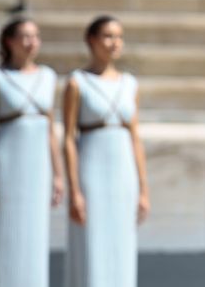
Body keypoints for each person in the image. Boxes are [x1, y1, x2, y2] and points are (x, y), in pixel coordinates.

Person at [64, 15, 150, 287]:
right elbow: (67, 138)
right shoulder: (77, 82)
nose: (115, 42)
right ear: (92, 40)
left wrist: (144, 189)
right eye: (108, 36)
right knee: (92, 242)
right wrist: (74, 190)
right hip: (91, 169)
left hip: (123, 172)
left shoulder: (130, 83)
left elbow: (135, 137)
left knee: (122, 243)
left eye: (119, 36)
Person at [0, 16, 63, 287]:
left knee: (35, 233)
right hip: (8, 162)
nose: (30, 42)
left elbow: (50, 128)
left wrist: (58, 174)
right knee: (7, 231)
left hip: (38, 166)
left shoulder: (48, 76)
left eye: (34, 36)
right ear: (9, 41)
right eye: (24, 36)